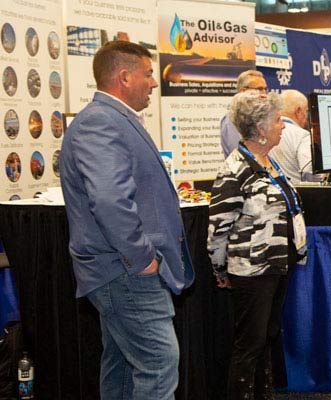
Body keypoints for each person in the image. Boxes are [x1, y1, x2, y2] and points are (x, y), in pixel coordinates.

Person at [60, 40, 194, 399]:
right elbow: (109, 200)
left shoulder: (112, 119)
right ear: (123, 77)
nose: (154, 82)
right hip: (125, 270)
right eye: (148, 74)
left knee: (121, 366)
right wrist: (142, 259)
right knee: (159, 363)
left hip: (122, 269)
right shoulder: (101, 123)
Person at [208, 91, 307, 398]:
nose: (283, 126)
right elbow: (218, 229)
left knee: (267, 337)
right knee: (249, 344)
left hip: (278, 264)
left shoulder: (269, 161)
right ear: (261, 129)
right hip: (252, 269)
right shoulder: (234, 170)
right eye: (278, 120)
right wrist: (220, 269)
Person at [269, 89, 319, 182]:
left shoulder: (267, 132)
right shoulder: (302, 136)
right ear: (298, 111)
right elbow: (309, 172)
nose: (307, 116)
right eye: (306, 111)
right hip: (298, 193)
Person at [221, 70, 269, 157]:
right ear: (243, 91)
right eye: (259, 89)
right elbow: (239, 153)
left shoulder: (258, 117)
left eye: (265, 89)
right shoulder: (233, 119)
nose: (264, 94)